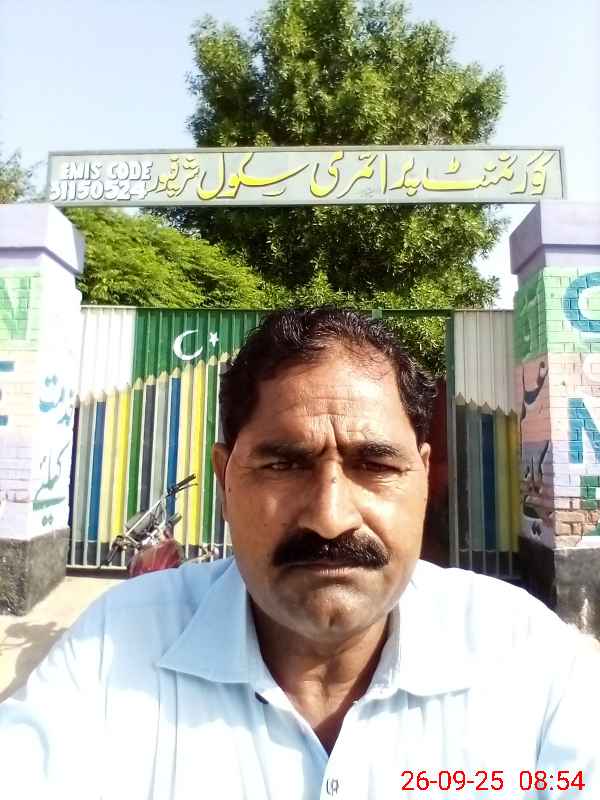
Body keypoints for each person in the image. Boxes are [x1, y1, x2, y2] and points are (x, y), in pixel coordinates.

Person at [0, 306, 598, 800]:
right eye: (283, 464)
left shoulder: (529, 659)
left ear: (423, 477)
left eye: (375, 464)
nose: (330, 516)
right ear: (224, 480)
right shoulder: (114, 650)